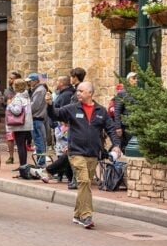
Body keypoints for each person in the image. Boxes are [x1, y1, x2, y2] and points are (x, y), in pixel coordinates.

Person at [46, 81, 121, 229]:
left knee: (84, 185)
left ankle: (77, 214)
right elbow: (55, 114)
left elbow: (111, 128)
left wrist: (117, 145)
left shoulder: (101, 111)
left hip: (93, 154)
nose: (78, 93)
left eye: (81, 91)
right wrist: (49, 104)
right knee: (85, 181)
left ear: (90, 93)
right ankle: (86, 215)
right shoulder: (72, 108)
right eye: (77, 91)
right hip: (76, 152)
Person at [7, 79, 33, 167]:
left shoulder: (18, 97)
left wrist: (10, 104)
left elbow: (17, 111)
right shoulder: (26, 96)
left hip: (20, 125)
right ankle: (24, 165)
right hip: (26, 124)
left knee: (20, 146)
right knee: (23, 146)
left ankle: (22, 166)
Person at [25, 73, 48, 166]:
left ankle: (41, 163)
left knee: (39, 142)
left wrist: (25, 106)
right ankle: (40, 162)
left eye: (30, 81)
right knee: (39, 141)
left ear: (35, 81)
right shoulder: (38, 90)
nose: (29, 83)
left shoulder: (39, 90)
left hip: (36, 119)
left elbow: (34, 106)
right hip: (37, 119)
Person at [113, 72, 137, 150]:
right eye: (133, 78)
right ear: (128, 80)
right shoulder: (122, 93)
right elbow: (117, 111)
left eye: (136, 78)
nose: (136, 80)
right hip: (127, 125)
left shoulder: (138, 92)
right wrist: (118, 127)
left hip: (137, 124)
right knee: (127, 147)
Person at [2, 71, 21, 164]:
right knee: (9, 137)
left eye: (12, 78)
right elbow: (4, 103)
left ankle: (22, 158)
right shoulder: (6, 90)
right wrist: (4, 101)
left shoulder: (22, 90)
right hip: (9, 117)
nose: (10, 80)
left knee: (20, 138)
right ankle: (11, 156)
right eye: (9, 78)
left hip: (20, 117)